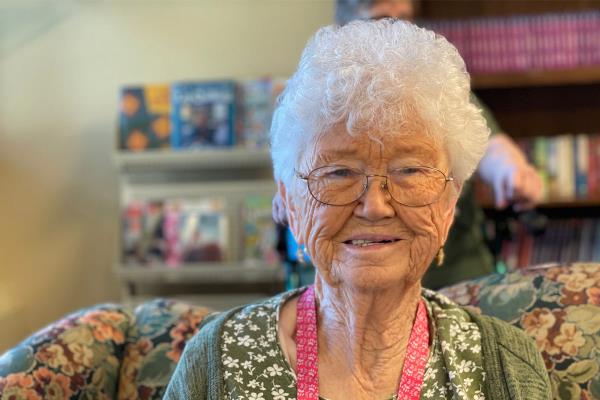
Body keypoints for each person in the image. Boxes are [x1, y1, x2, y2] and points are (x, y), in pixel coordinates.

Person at [164, 20, 551, 399]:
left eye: (410, 170)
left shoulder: (504, 366)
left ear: (450, 203)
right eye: (338, 173)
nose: (375, 206)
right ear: (290, 203)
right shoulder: (218, 360)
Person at [273, 0, 543, 289]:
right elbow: (298, 170)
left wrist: (514, 171)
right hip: (344, 278)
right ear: (346, 30)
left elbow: (492, 148)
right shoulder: (316, 97)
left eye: (406, 19)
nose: (398, 29)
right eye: (383, 19)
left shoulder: (433, 92)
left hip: (453, 279)